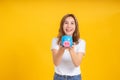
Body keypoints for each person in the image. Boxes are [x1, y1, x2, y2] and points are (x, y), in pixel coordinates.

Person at [51, 14, 86, 80]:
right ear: (62, 25)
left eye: (72, 23)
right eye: (66, 23)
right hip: (59, 77)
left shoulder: (81, 42)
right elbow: (56, 63)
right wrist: (62, 49)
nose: (69, 26)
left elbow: (77, 63)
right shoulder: (55, 41)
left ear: (75, 26)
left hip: (75, 77)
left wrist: (71, 49)